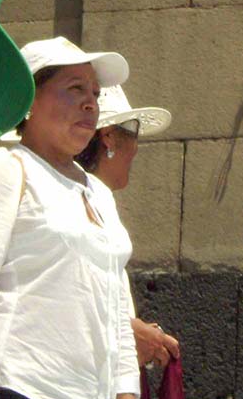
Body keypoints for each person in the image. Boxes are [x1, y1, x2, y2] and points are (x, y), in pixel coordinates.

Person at [0, 37, 144, 399]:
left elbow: (116, 311)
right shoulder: (2, 169)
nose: (91, 103)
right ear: (28, 99)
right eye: (75, 89)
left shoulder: (99, 193)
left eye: (94, 93)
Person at [73, 84, 181, 374]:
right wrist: (128, 331)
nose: (136, 146)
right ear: (108, 137)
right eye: (133, 131)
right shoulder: (66, 198)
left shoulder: (97, 199)